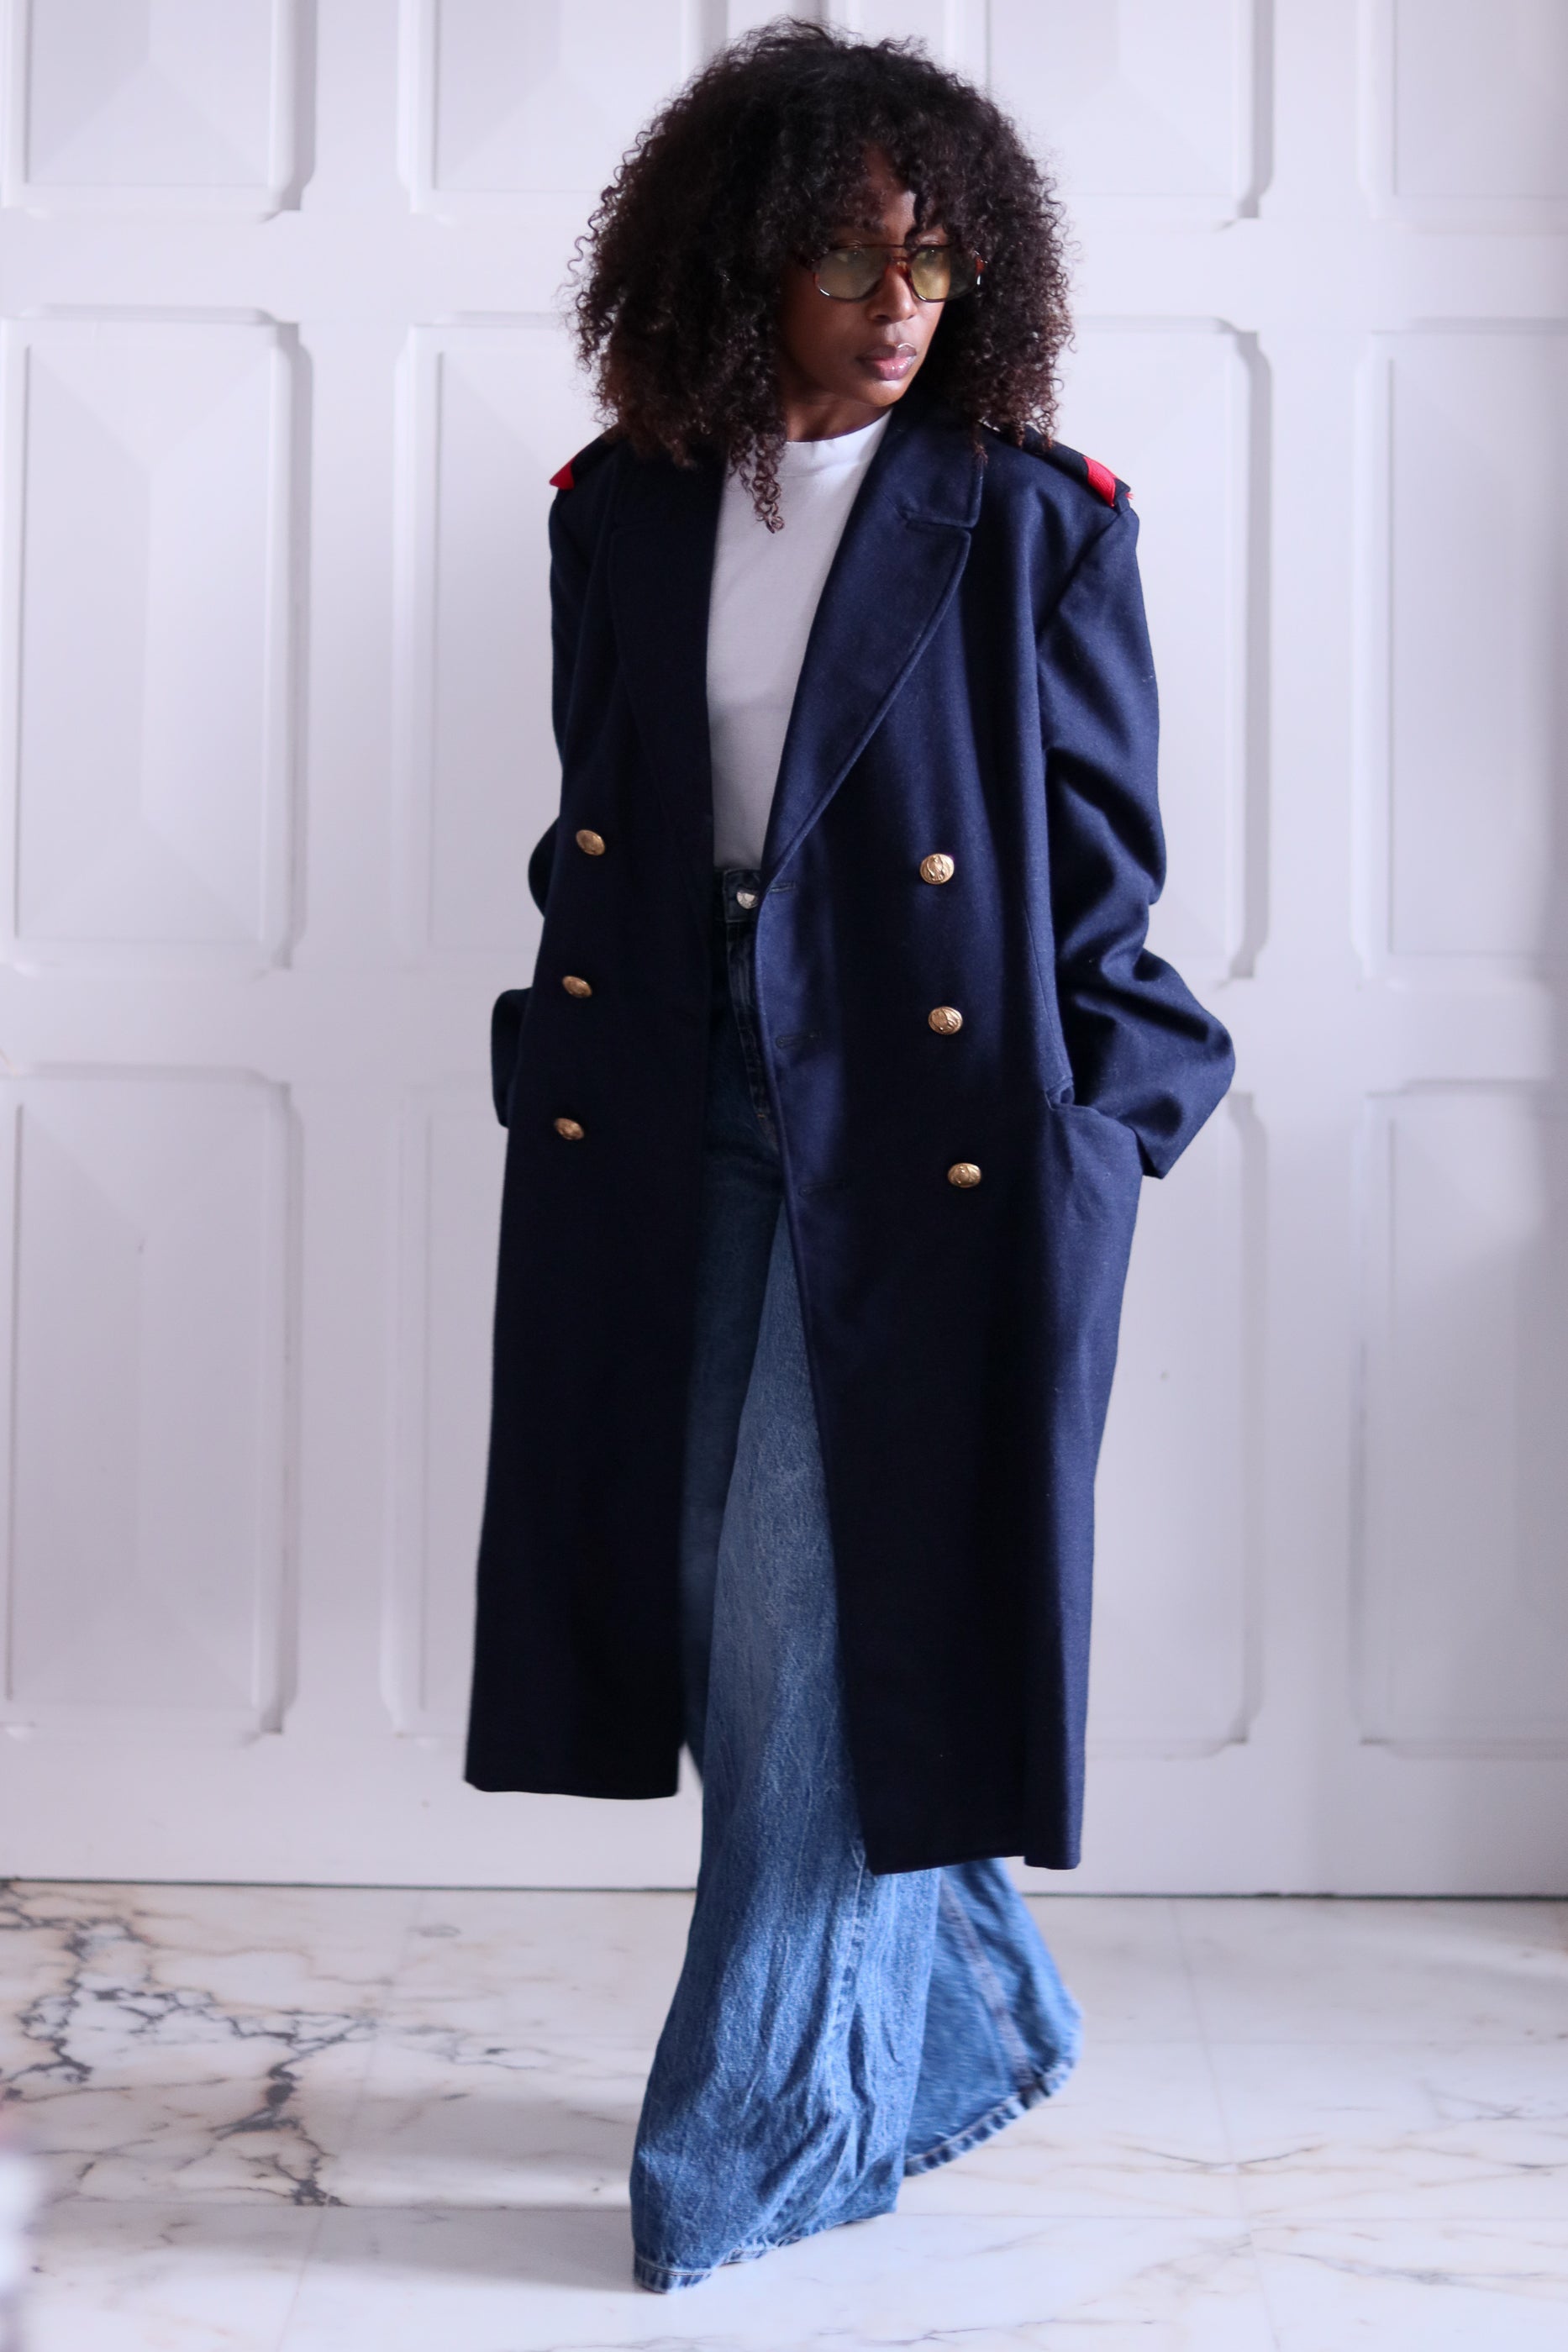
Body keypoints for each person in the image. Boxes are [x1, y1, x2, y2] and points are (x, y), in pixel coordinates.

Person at [466, 20, 1234, 2292]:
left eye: (934, 259)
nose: (897, 303)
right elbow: (600, 818)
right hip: (666, 1085)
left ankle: (765, 2141)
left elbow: (1101, 878)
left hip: (932, 1123)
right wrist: (554, 1041)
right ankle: (974, 2004)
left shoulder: (1031, 519)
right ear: (738, 265)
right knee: (707, 1601)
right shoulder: (618, 508)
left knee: (811, 1616)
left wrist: (1105, 1125)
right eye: (844, 258)